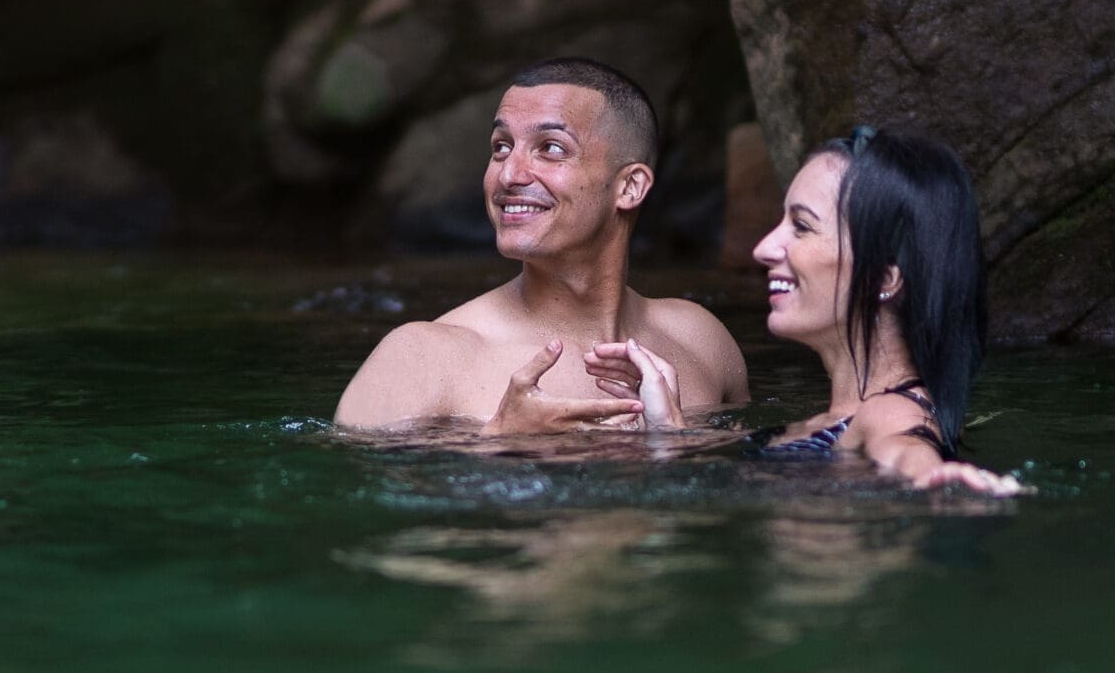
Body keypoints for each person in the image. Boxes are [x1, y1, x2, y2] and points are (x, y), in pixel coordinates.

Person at [597, 124, 1022, 495]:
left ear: (884, 279)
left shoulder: (892, 412)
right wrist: (671, 434)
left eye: (801, 226)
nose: (764, 249)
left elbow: (906, 452)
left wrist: (932, 481)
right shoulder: (843, 418)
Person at [334, 58, 751, 431]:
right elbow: (344, 505)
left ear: (630, 187)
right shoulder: (420, 358)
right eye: (501, 147)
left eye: (550, 148)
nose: (510, 174)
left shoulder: (702, 342)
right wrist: (498, 439)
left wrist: (672, 443)